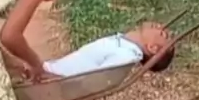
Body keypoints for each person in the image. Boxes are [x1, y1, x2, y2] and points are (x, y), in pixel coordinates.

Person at [43, 21, 174, 78]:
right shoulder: (123, 45)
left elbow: (94, 78)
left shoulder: (126, 54)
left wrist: (50, 76)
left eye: (163, 34)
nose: (160, 26)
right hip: (50, 71)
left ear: (152, 48)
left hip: (51, 77)